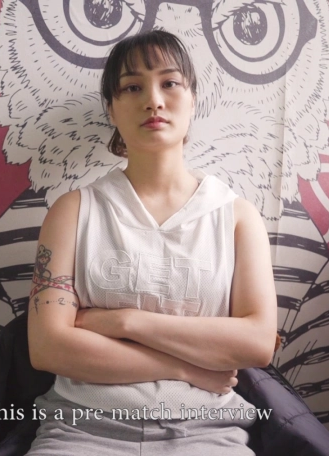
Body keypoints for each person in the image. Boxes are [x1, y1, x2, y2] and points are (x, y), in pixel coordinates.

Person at [25, 29, 279, 455]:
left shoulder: (236, 216)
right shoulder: (73, 211)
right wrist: (187, 368)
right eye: (132, 87)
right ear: (111, 108)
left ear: (193, 99)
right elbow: (48, 347)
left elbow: (256, 343)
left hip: (207, 433)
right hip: (80, 431)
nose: (154, 100)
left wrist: (125, 322)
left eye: (170, 83)